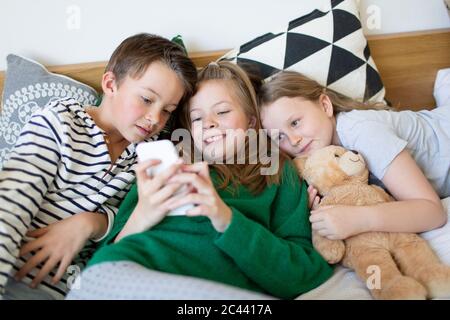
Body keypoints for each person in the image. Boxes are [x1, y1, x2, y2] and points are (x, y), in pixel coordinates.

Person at [80, 61, 333, 300]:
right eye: (197, 118)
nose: (209, 124)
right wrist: (145, 209)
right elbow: (110, 253)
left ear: (251, 121)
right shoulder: (166, 164)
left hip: (207, 286)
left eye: (222, 112)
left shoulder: (277, 171)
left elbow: (305, 273)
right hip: (129, 272)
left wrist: (227, 220)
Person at [0, 33, 197, 299]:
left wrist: (92, 223)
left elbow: (128, 234)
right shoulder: (59, 122)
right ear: (110, 84)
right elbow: (10, 206)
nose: (155, 119)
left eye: (167, 110)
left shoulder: (148, 157)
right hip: (13, 278)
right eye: (147, 100)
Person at [258, 71, 449, 241]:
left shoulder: (362, 131)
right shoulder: (314, 162)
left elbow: (432, 212)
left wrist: (359, 219)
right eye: (279, 137)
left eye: (295, 123)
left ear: (325, 106)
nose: (293, 140)